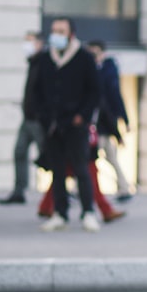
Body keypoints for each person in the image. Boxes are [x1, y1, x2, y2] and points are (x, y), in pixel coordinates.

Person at [31, 17, 102, 232]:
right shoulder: (45, 59)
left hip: (76, 124)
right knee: (58, 171)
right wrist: (43, 115)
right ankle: (60, 213)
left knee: (82, 169)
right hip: (53, 124)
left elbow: (95, 91)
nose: (56, 35)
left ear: (71, 34)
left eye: (61, 31)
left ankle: (88, 212)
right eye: (54, 30)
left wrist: (82, 116)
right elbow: (36, 89)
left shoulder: (84, 57)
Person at [0, 31, 46, 205]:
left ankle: (63, 191)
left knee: (48, 157)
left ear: (39, 43)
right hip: (28, 117)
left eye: (30, 41)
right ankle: (19, 191)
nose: (26, 45)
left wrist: (41, 114)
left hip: (39, 120)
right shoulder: (33, 62)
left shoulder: (44, 62)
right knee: (19, 152)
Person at [87, 40, 134, 201]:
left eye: (95, 53)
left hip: (103, 124)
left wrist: (124, 121)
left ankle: (122, 188)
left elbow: (115, 97)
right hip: (98, 123)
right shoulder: (95, 70)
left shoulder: (107, 71)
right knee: (107, 157)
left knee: (91, 158)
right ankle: (123, 187)